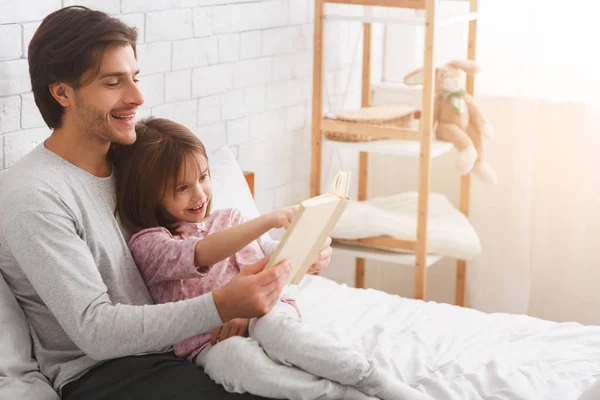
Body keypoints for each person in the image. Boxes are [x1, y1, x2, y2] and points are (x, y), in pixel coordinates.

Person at [0, 6, 315, 400]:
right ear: (62, 92)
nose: (137, 96)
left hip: (185, 348)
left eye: (134, 77)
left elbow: (189, 252)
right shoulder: (33, 195)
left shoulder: (134, 168)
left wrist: (293, 255)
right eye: (114, 82)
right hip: (109, 374)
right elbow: (95, 330)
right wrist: (219, 306)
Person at [110, 117, 434, 400]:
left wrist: (306, 253)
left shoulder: (229, 218)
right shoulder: (148, 243)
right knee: (237, 364)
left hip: (263, 313)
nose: (200, 194)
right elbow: (199, 254)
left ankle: (375, 380)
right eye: (182, 187)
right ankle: (340, 395)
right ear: (150, 192)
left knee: (278, 331)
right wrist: (265, 221)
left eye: (204, 176)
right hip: (207, 343)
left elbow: (268, 262)